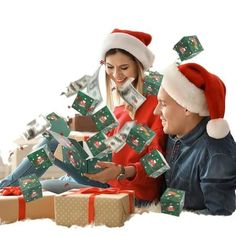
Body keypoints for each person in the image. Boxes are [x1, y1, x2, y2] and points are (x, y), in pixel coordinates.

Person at [0, 28, 165, 206]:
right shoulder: (121, 107)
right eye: (110, 67)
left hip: (130, 193)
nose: (116, 75)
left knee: (39, 187)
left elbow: (155, 167)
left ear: (139, 66)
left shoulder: (156, 105)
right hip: (106, 180)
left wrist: (122, 171)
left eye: (124, 68)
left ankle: (3, 188)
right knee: (53, 139)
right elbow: (109, 149)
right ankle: (5, 187)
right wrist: (81, 154)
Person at [153, 62, 236, 215]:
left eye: (163, 104)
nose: (155, 111)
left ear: (187, 108)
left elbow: (221, 216)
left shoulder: (216, 153)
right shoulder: (172, 133)